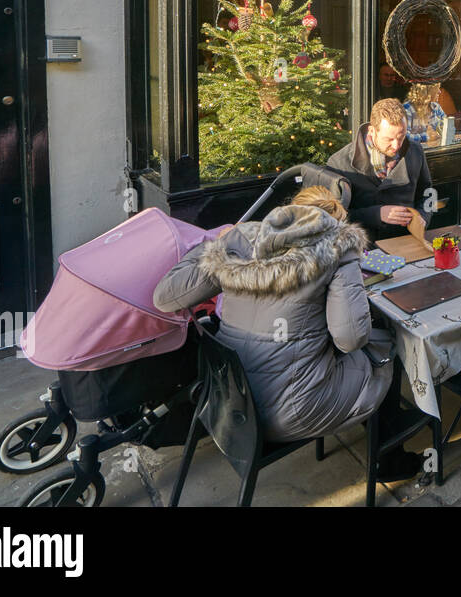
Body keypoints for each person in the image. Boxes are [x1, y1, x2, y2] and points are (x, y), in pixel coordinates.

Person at [152, 188, 421, 479]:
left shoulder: (241, 241)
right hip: (292, 413)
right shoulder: (338, 248)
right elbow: (351, 339)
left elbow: (164, 298)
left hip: (228, 407)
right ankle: (389, 457)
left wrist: (212, 248)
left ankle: (384, 437)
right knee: (384, 351)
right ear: (336, 226)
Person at [327, 98, 434, 241]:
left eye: (401, 136)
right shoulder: (339, 163)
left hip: (407, 242)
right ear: (372, 131)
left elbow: (429, 193)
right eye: (389, 139)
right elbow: (333, 217)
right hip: (363, 247)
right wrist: (376, 214)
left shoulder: (415, 151)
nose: (396, 146)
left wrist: (423, 217)